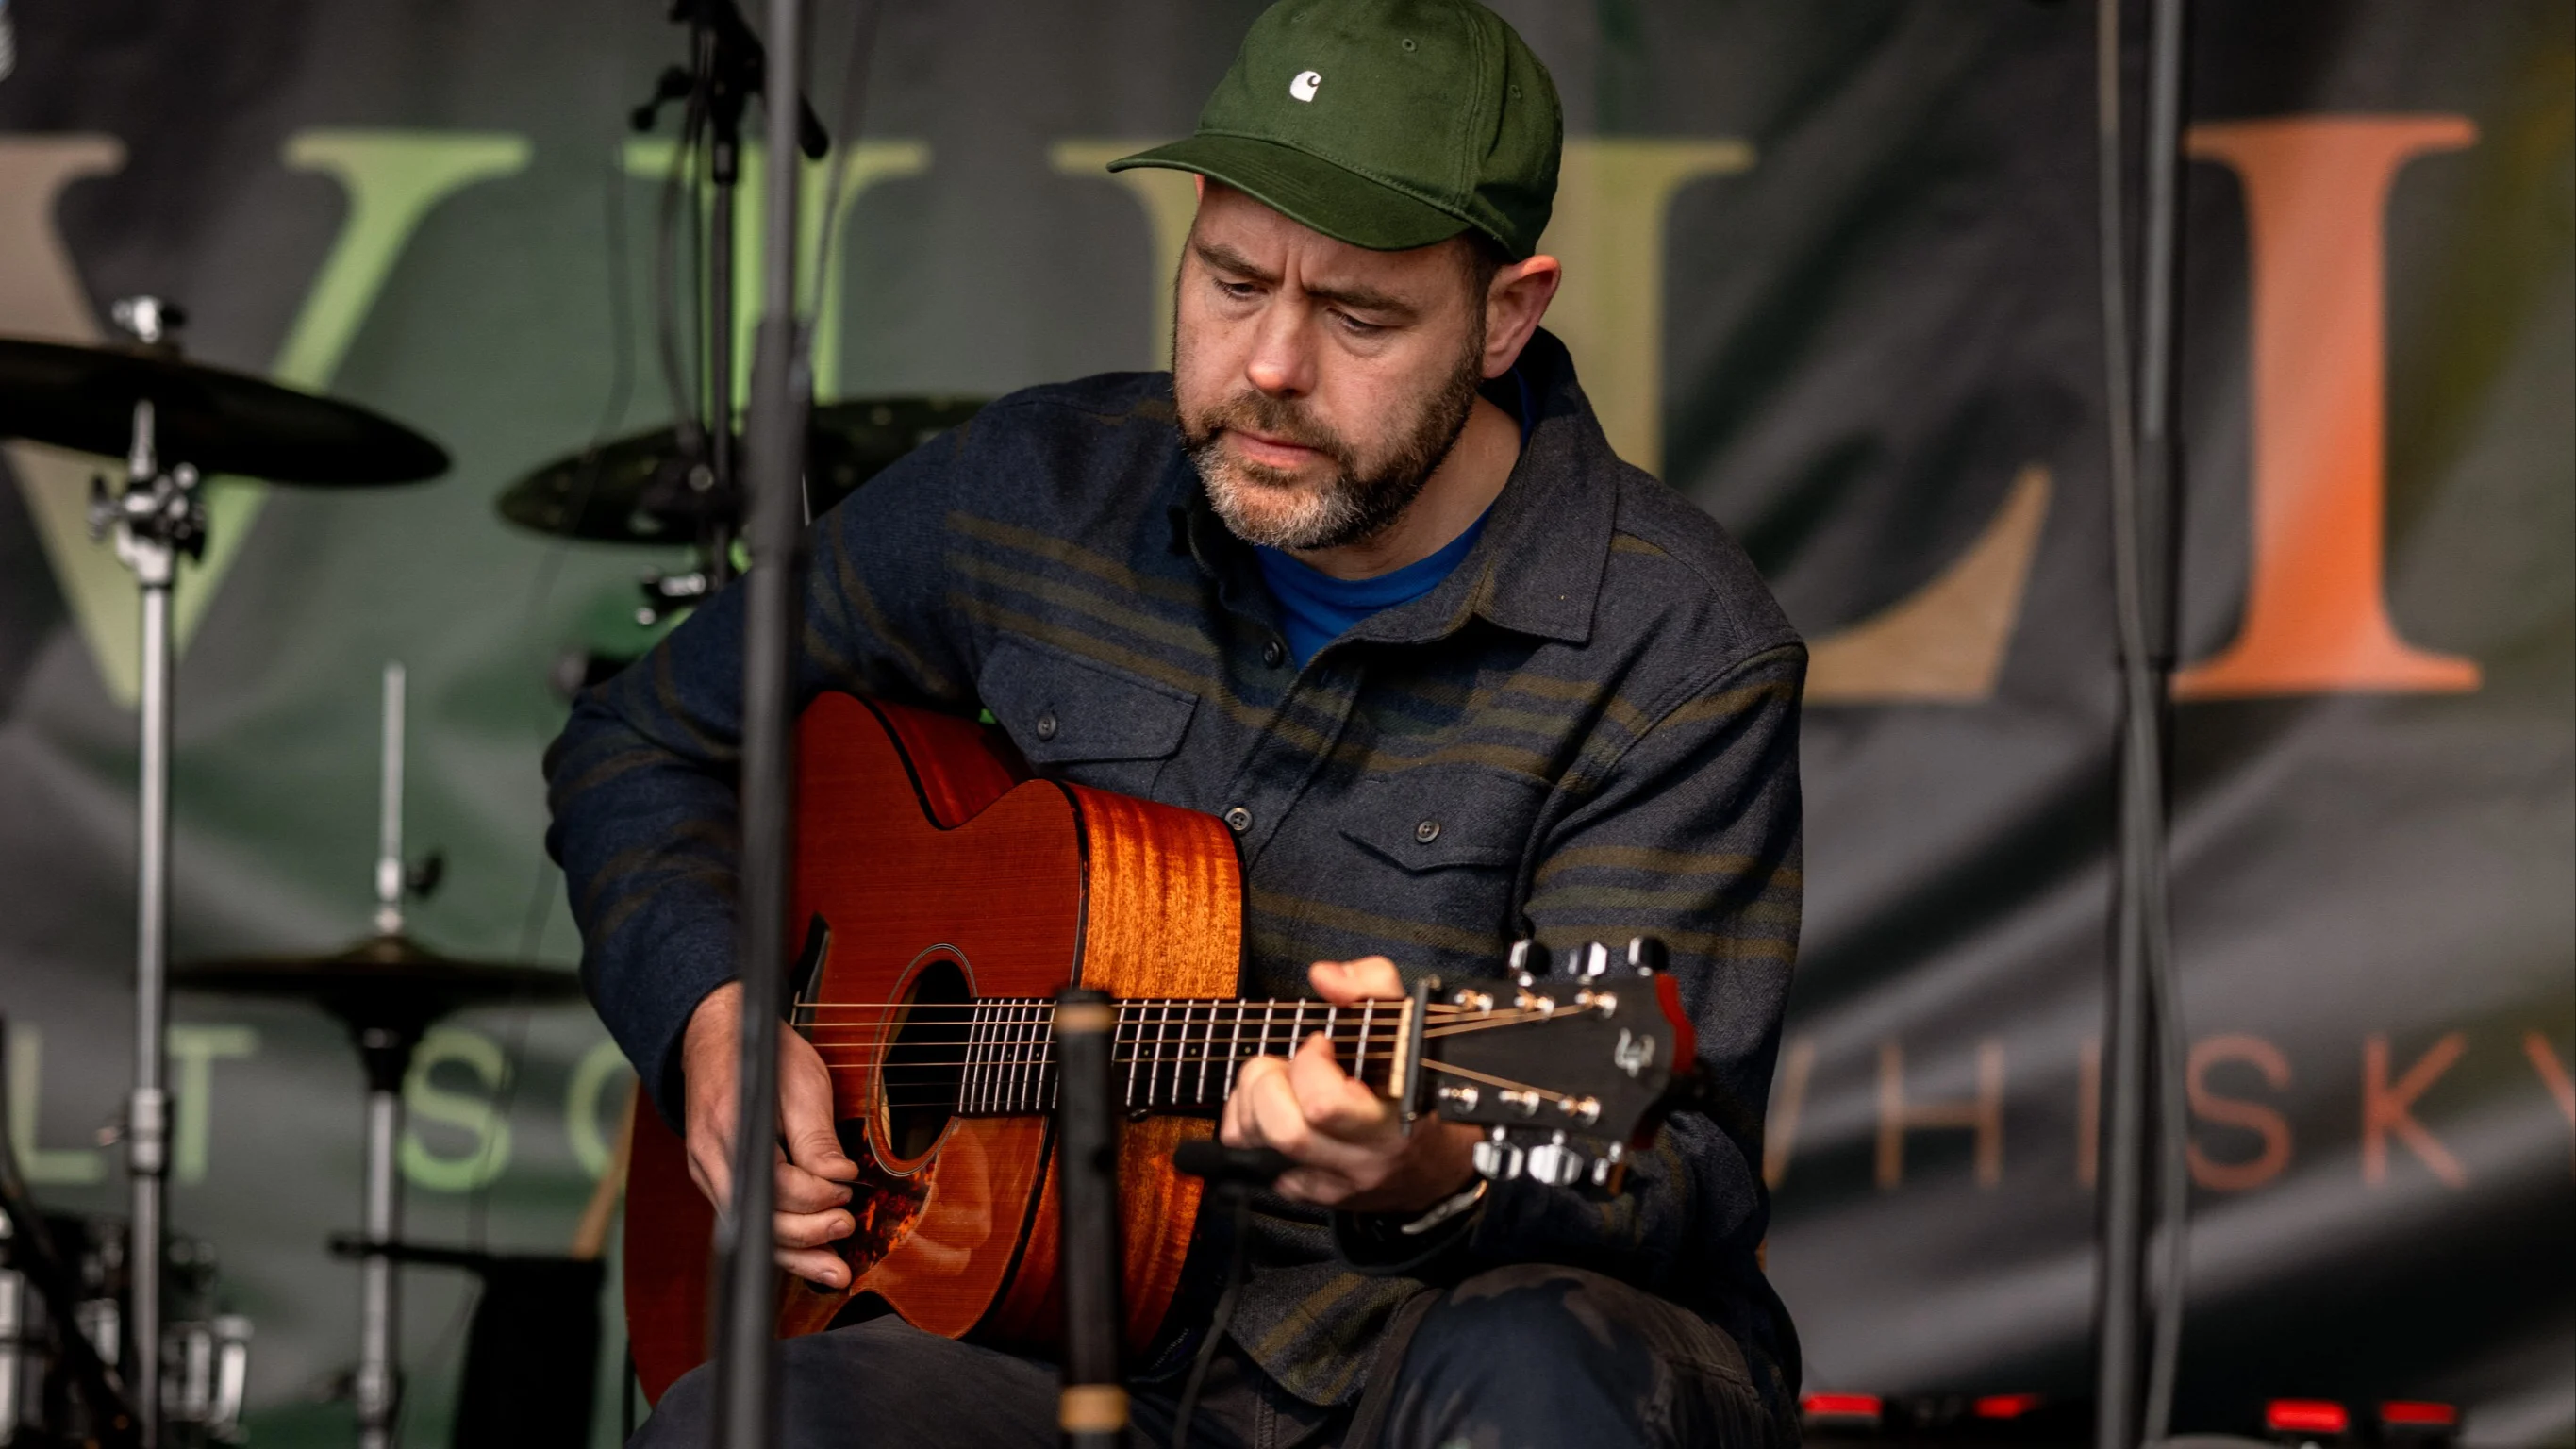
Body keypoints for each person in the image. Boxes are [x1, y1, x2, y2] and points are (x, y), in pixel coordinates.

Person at [548, 1, 1806, 1443]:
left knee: (1541, 1360)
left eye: (1358, 315)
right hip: (1044, 1343)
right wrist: (712, 1021)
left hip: (1419, 1360)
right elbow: (645, 742)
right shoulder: (1033, 491)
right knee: (748, 1426)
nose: (1270, 364)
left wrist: (1437, 1163)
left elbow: (1677, 1161)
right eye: (1229, 280)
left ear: (1507, 314)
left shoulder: (1674, 643)